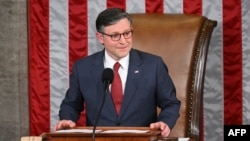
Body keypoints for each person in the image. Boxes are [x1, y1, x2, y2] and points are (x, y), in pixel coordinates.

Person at [54, 7, 181, 137]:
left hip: (141, 139)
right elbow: (71, 105)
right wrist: (67, 119)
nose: (123, 41)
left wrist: (164, 122)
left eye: (127, 33)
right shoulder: (83, 68)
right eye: (115, 35)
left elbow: (171, 103)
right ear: (100, 37)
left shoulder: (153, 65)